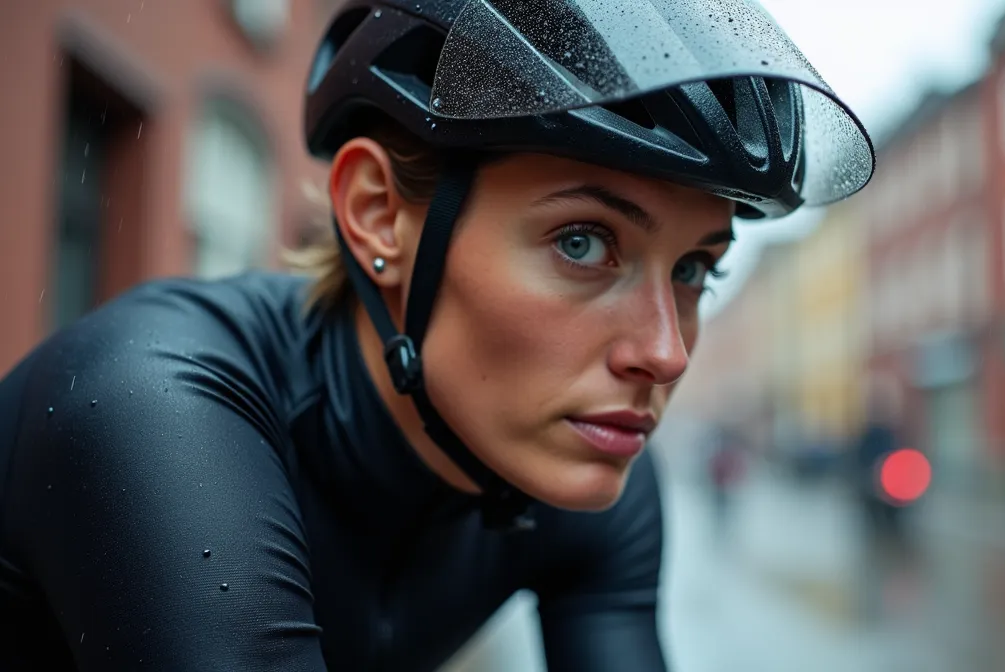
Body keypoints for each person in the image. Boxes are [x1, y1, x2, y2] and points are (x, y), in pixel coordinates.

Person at [0, 1, 872, 669]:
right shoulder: (152, 406)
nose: (667, 352)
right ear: (378, 215)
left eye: (693, 271)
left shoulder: (589, 470)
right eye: (583, 242)